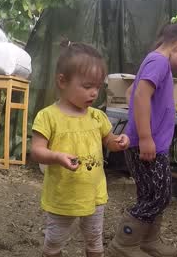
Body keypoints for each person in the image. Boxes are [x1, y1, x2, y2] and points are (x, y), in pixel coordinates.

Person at [111, 20, 177, 257]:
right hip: (147, 145)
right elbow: (140, 94)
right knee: (160, 196)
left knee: (150, 194)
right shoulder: (160, 62)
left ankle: (148, 241)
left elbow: (132, 92)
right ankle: (123, 245)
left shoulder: (154, 61)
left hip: (146, 144)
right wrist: (145, 136)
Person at [31, 41, 131, 257]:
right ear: (62, 81)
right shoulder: (48, 116)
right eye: (87, 87)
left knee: (95, 242)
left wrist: (119, 141)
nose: (94, 93)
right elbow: (37, 150)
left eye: (98, 87)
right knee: (54, 243)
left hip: (94, 195)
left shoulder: (97, 116)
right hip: (62, 198)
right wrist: (56, 156)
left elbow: (109, 140)